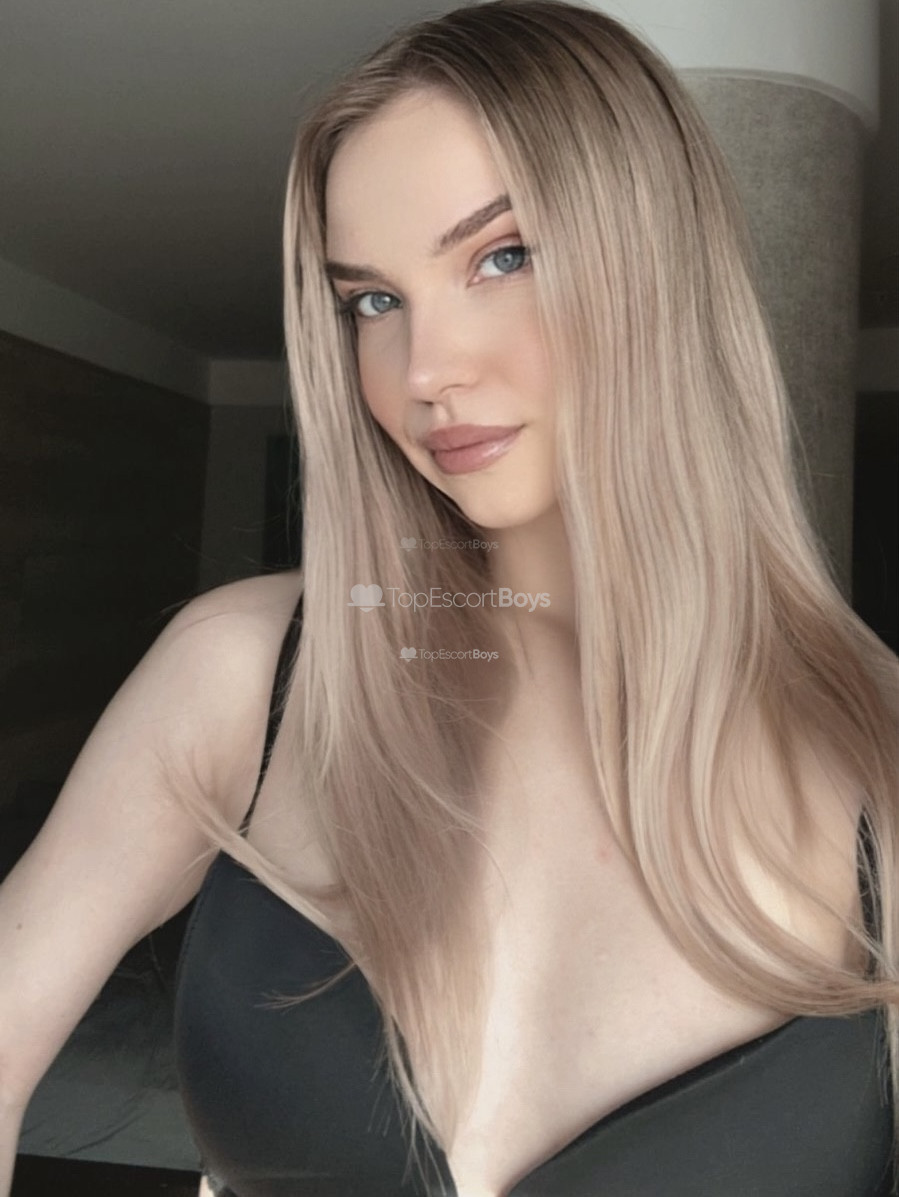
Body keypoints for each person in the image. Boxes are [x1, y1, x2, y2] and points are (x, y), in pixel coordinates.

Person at [2, 2, 898, 1194]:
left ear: (659, 264)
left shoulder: (877, 753)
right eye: (372, 301)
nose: (425, 371)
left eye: (502, 256)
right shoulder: (245, 673)